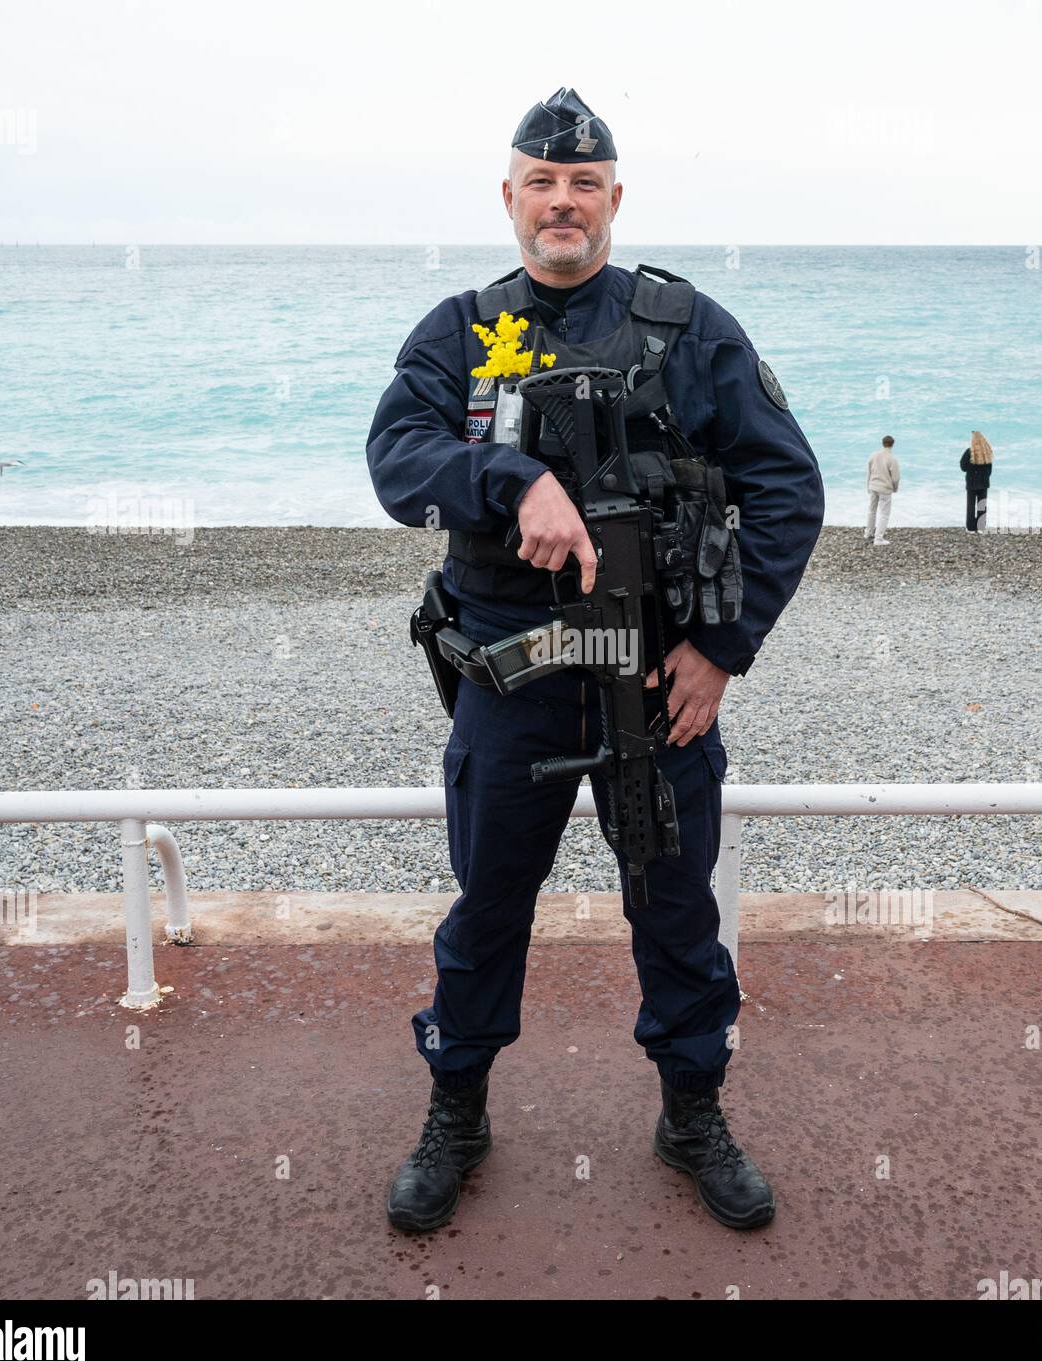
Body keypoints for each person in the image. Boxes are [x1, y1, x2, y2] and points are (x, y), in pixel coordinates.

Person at [365, 86, 824, 1233]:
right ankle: (457, 1113)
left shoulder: (685, 329)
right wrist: (513, 480)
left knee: (676, 917)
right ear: (510, 198)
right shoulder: (462, 330)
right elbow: (399, 457)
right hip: (506, 685)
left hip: (655, 685)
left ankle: (691, 1113)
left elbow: (786, 486)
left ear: (613, 199)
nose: (560, 202)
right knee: (487, 915)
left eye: (582, 185)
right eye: (540, 182)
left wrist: (722, 646)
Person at [864, 434, 899, 545]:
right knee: (884, 513)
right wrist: (895, 488)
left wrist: (868, 486)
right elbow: (895, 477)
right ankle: (878, 538)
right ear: (892, 444)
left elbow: (868, 471)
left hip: (873, 486)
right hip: (885, 488)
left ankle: (868, 533)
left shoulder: (874, 455)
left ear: (882, 443)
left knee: (871, 510)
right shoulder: (892, 458)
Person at [960, 430, 994, 531]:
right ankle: (981, 527)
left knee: (971, 506)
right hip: (984, 483)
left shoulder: (969, 452)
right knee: (982, 505)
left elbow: (963, 467)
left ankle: (970, 528)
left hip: (971, 483)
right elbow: (989, 470)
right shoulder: (987, 452)